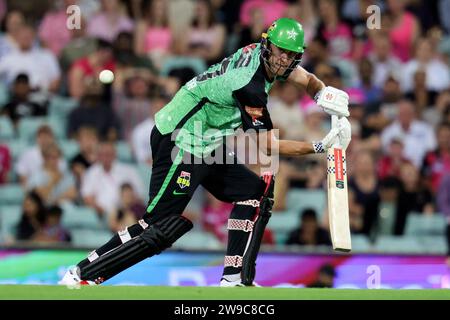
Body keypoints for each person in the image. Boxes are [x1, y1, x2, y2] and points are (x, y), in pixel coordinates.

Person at [59, 18, 351, 287]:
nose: (284, 59)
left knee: (253, 191)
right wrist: (321, 146)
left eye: (291, 54)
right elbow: (268, 146)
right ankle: (79, 273)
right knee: (156, 225)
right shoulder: (249, 85)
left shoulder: (268, 57)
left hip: (208, 142)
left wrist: (325, 97)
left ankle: (233, 278)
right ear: (267, 45)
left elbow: (307, 79)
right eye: (280, 51)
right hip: (179, 140)